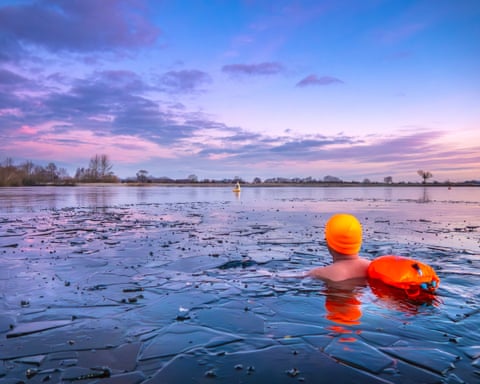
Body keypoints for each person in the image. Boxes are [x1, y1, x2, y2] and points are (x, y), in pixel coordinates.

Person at [306, 213, 370, 282]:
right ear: (359, 241)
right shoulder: (370, 267)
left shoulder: (321, 273)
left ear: (329, 244)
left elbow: (294, 276)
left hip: (336, 290)